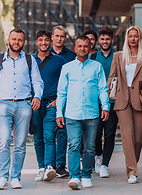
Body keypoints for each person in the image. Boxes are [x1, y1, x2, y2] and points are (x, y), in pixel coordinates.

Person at [0, 28, 43, 189]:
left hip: (24, 105)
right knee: (3, 141)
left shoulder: (30, 60)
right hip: (3, 104)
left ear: (24, 42)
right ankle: (3, 177)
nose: (17, 42)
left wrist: (37, 96)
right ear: (8, 40)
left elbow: (38, 82)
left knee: (20, 143)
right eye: (14, 39)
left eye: (20, 40)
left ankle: (15, 177)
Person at [56, 35, 110, 190]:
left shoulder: (97, 66)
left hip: (92, 114)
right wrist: (59, 112)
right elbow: (61, 92)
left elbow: (102, 89)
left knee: (90, 147)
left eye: (85, 46)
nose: (82, 49)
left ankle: (86, 175)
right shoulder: (67, 68)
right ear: (75, 48)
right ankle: (74, 176)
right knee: (73, 145)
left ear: (90, 47)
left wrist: (105, 106)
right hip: (72, 114)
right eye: (79, 46)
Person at [108, 26, 142, 184]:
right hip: (122, 101)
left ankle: (132, 165)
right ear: (127, 38)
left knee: (138, 136)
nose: (133, 39)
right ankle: (132, 172)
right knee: (127, 136)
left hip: (141, 100)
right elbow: (111, 77)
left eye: (136, 36)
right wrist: (114, 86)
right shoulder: (118, 56)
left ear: (140, 38)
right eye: (130, 36)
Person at [32, 29, 66, 182]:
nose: (44, 43)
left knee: (49, 136)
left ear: (50, 41)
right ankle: (41, 168)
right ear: (36, 41)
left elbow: (65, 82)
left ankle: (49, 167)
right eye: (41, 40)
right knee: (38, 137)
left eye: (46, 40)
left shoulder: (59, 60)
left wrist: (58, 99)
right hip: (34, 103)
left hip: (52, 103)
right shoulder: (30, 60)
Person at [91, 27, 118, 178]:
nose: (105, 41)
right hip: (96, 103)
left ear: (112, 40)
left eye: (107, 39)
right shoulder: (93, 57)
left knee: (109, 135)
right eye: (102, 39)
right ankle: (98, 156)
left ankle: (105, 165)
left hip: (113, 102)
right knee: (95, 135)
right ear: (98, 40)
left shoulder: (118, 56)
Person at [50, 25, 75, 177]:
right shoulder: (43, 54)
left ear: (65, 38)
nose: (59, 39)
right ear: (52, 37)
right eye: (57, 36)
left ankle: (60, 165)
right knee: (48, 134)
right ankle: (48, 164)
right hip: (47, 101)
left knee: (62, 133)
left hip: (66, 100)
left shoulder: (72, 55)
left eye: (62, 36)